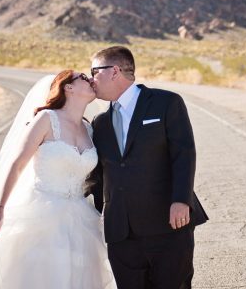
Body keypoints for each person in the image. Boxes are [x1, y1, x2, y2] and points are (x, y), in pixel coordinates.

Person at [0, 70, 116, 288]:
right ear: (68, 87)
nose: (90, 80)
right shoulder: (46, 119)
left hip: (80, 217)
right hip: (41, 213)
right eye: (83, 77)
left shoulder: (88, 128)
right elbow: (17, 165)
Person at [86, 46, 208, 289]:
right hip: (121, 233)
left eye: (94, 71)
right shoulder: (99, 124)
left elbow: (183, 154)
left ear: (114, 71)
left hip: (169, 223)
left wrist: (181, 200)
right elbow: (97, 176)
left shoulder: (166, 102)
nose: (90, 79)